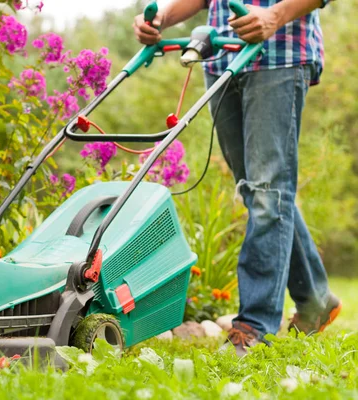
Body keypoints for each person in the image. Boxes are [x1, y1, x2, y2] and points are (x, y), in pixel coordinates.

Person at [133, 0, 341, 356]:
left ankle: (255, 326)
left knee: (267, 192)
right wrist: (162, 19)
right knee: (259, 192)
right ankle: (316, 298)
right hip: (222, 56)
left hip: (280, 52)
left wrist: (274, 15)